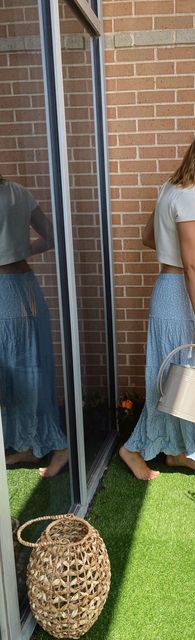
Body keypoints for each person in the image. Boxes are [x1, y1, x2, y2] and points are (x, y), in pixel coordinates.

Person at [120, 126, 195, 480]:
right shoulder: (190, 197)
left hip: (167, 289)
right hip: (176, 295)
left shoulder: (169, 189)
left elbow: (147, 237)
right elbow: (187, 266)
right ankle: (132, 449)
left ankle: (174, 452)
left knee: (172, 376)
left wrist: (187, 254)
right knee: (179, 376)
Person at [0, 175, 68, 477]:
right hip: (26, 287)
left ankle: (58, 446)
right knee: (26, 368)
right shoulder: (19, 192)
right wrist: (20, 249)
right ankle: (29, 445)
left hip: (8, 294)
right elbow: (53, 236)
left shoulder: (15, 193)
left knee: (17, 370)